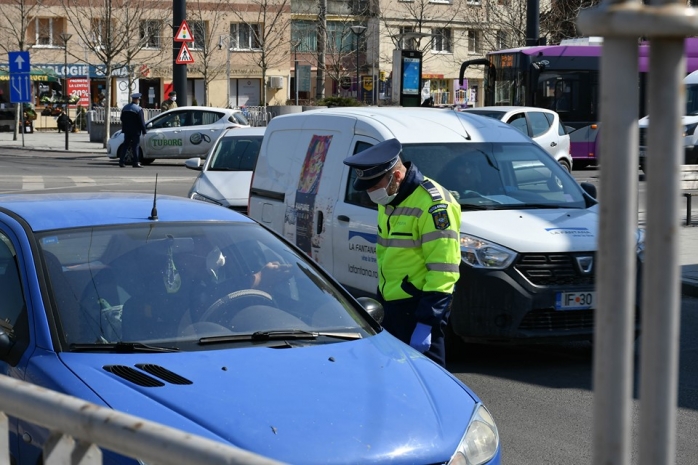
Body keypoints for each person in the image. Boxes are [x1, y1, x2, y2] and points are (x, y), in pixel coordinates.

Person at [342, 138, 461, 367]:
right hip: (391, 305)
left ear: (396, 176)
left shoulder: (435, 205)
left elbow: (444, 270)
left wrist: (427, 322)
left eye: (374, 187)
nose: (371, 193)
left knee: (429, 385)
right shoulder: (389, 199)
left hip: (419, 310)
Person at [119, 93, 147, 168]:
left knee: (125, 145)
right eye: (138, 99)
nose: (139, 101)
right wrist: (144, 131)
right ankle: (135, 162)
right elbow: (141, 121)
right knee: (135, 146)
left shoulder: (125, 107)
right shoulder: (138, 109)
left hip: (127, 130)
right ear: (137, 99)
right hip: (135, 131)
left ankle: (121, 162)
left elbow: (121, 118)